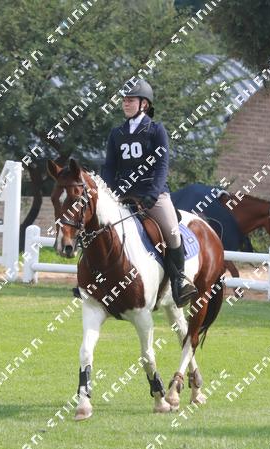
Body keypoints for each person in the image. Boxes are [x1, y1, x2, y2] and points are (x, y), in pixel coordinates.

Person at [100, 79, 197, 307]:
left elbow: (162, 165)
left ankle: (180, 281)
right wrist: (108, 193)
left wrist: (153, 193)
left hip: (153, 195)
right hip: (123, 195)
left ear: (144, 104)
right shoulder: (116, 133)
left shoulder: (156, 130)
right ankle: (92, 281)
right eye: (124, 100)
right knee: (99, 228)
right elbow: (110, 167)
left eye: (130, 100)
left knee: (172, 232)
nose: (125, 104)